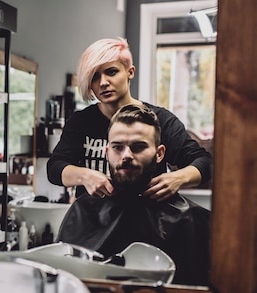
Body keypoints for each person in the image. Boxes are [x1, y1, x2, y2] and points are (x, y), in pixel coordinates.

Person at [57, 103, 210, 286]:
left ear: (160, 153)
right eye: (117, 147)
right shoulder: (84, 211)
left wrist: (179, 177)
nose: (126, 155)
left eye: (138, 147)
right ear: (107, 153)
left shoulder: (189, 219)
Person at [47, 37, 212, 202]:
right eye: (95, 77)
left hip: (150, 222)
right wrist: (85, 176)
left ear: (130, 72)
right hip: (94, 223)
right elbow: (55, 168)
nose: (103, 83)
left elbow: (204, 163)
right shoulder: (81, 122)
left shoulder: (160, 120)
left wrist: (177, 178)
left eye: (111, 72)